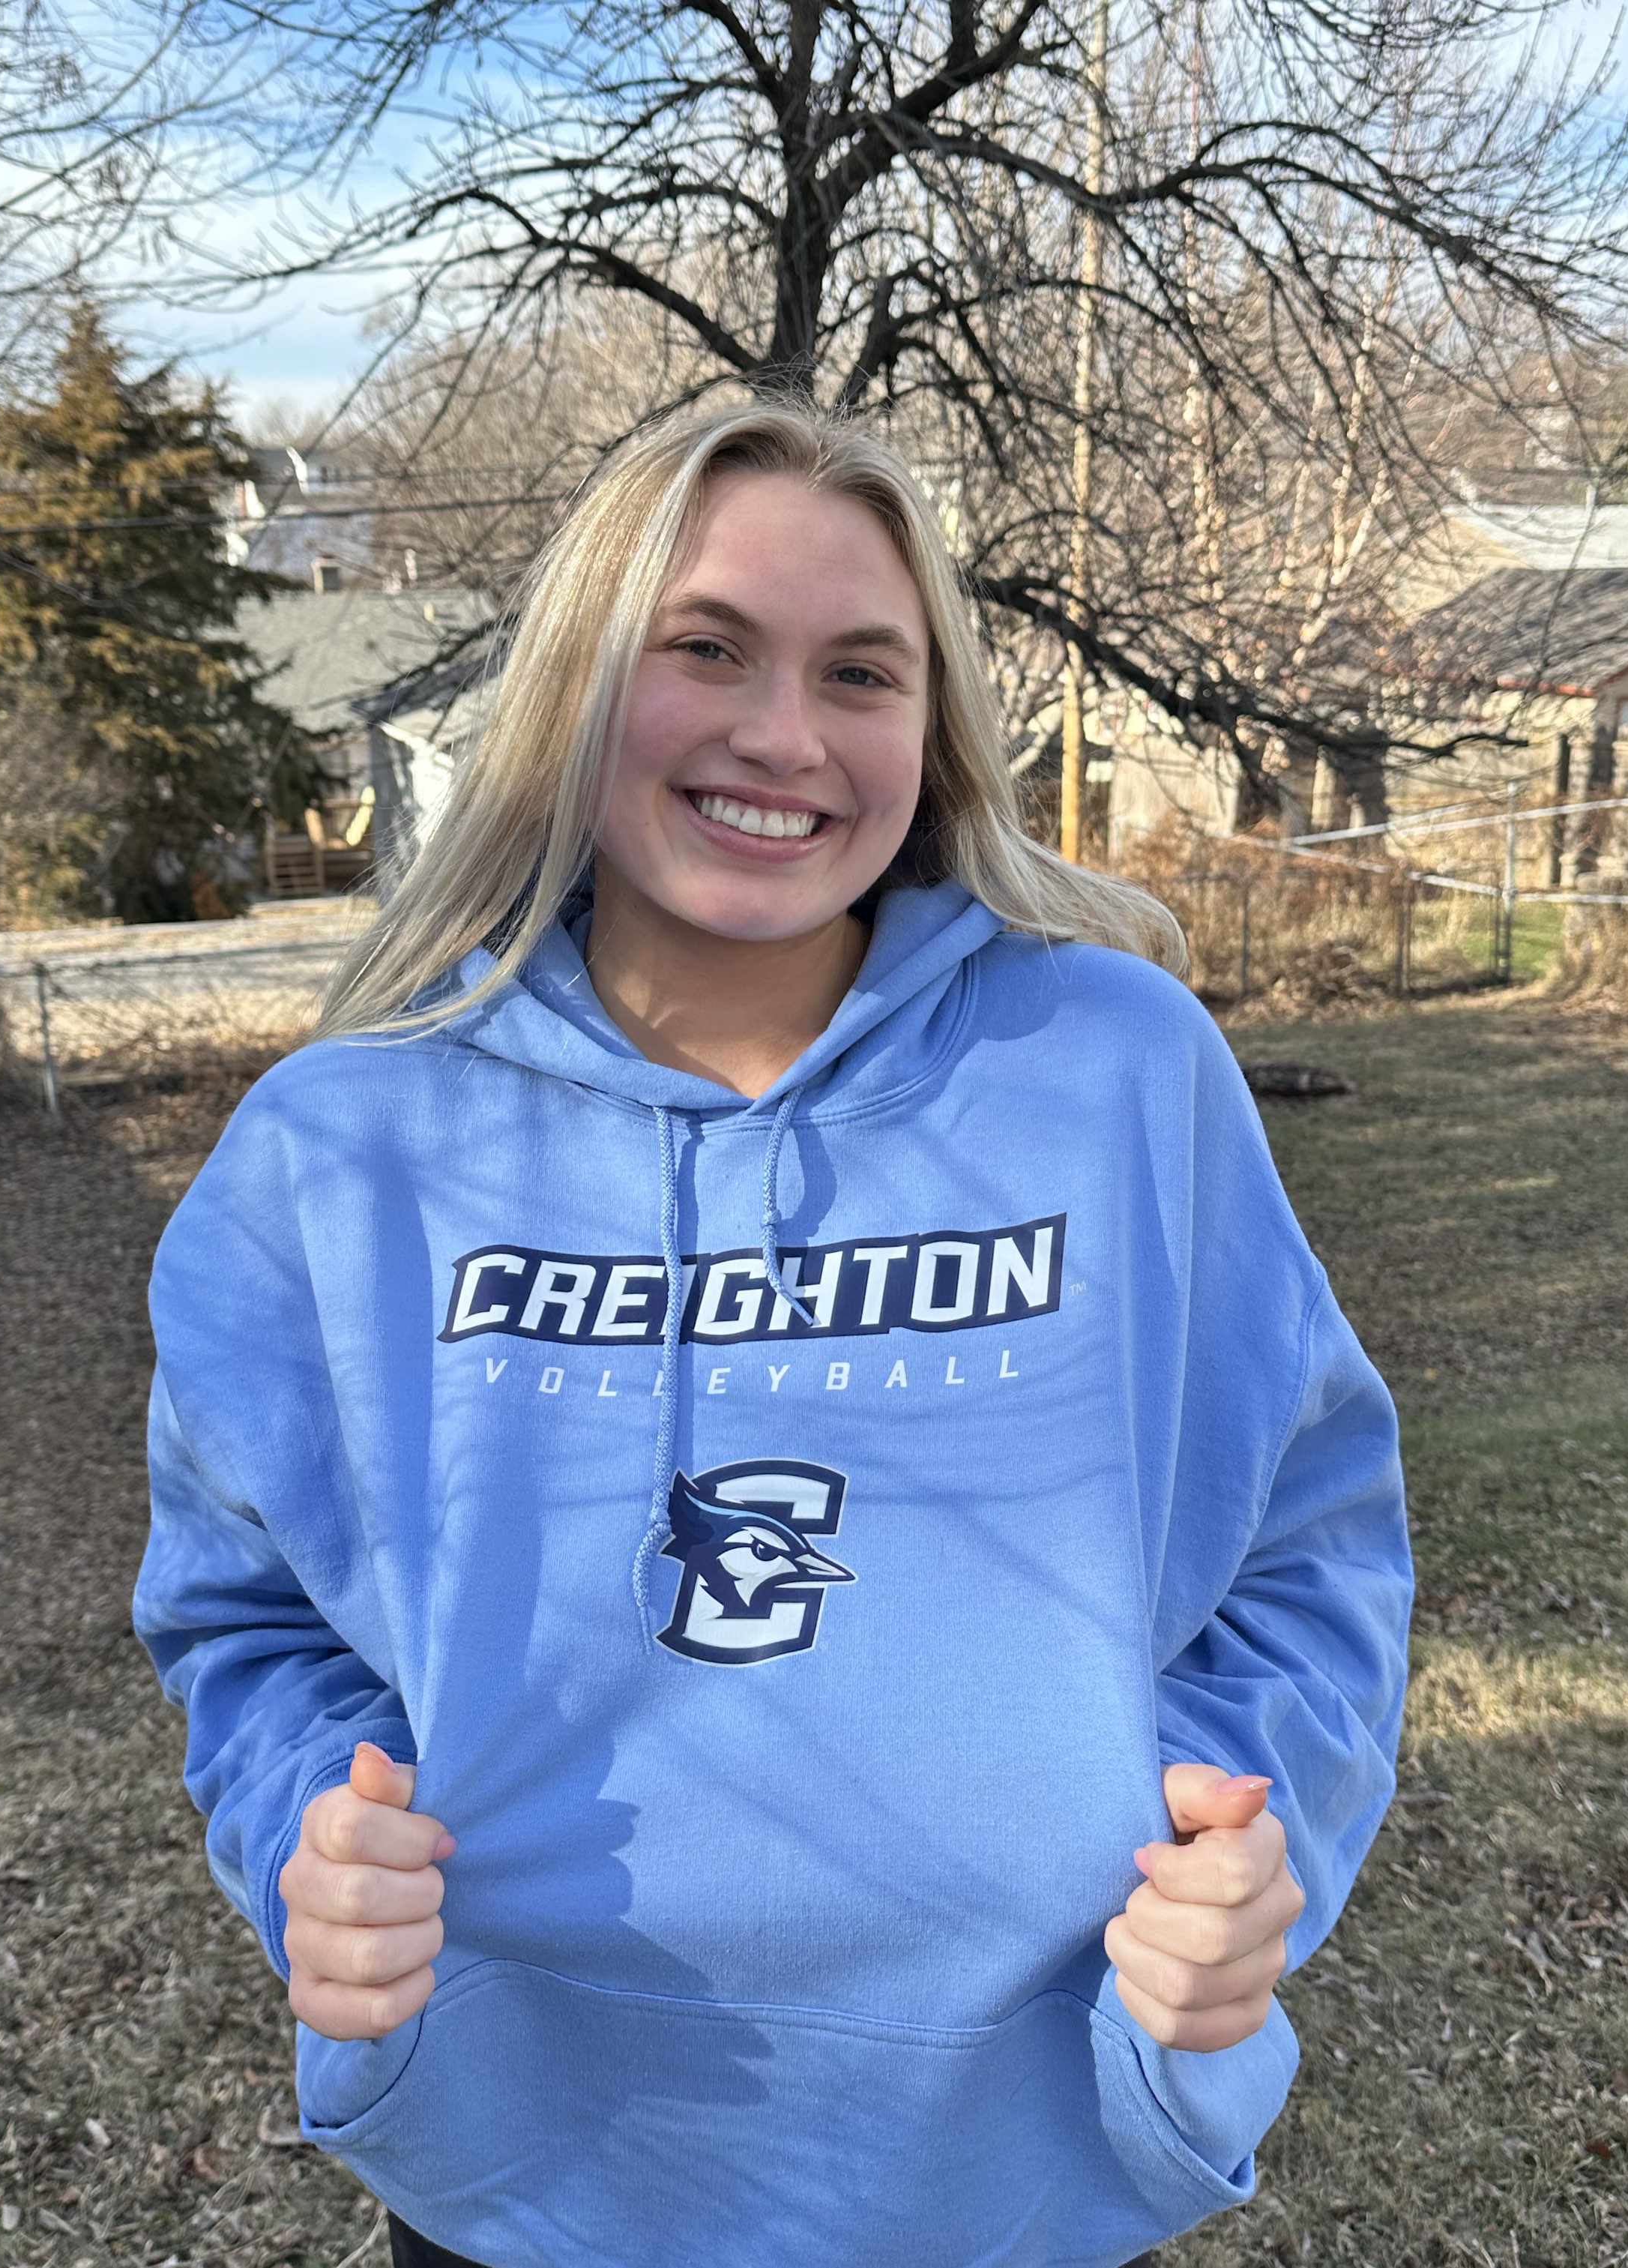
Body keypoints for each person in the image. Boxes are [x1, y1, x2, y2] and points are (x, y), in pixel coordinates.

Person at [134, 400, 1411, 2268]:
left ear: (934, 727)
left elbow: (1311, 1544)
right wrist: (313, 1832)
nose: (785, 737)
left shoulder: (1117, 1072)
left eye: (861, 673)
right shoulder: (346, 1147)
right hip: (531, 2163)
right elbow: (244, 1614)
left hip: (1022, 2158)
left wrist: (1242, 1835)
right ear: (579, 684)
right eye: (709, 648)